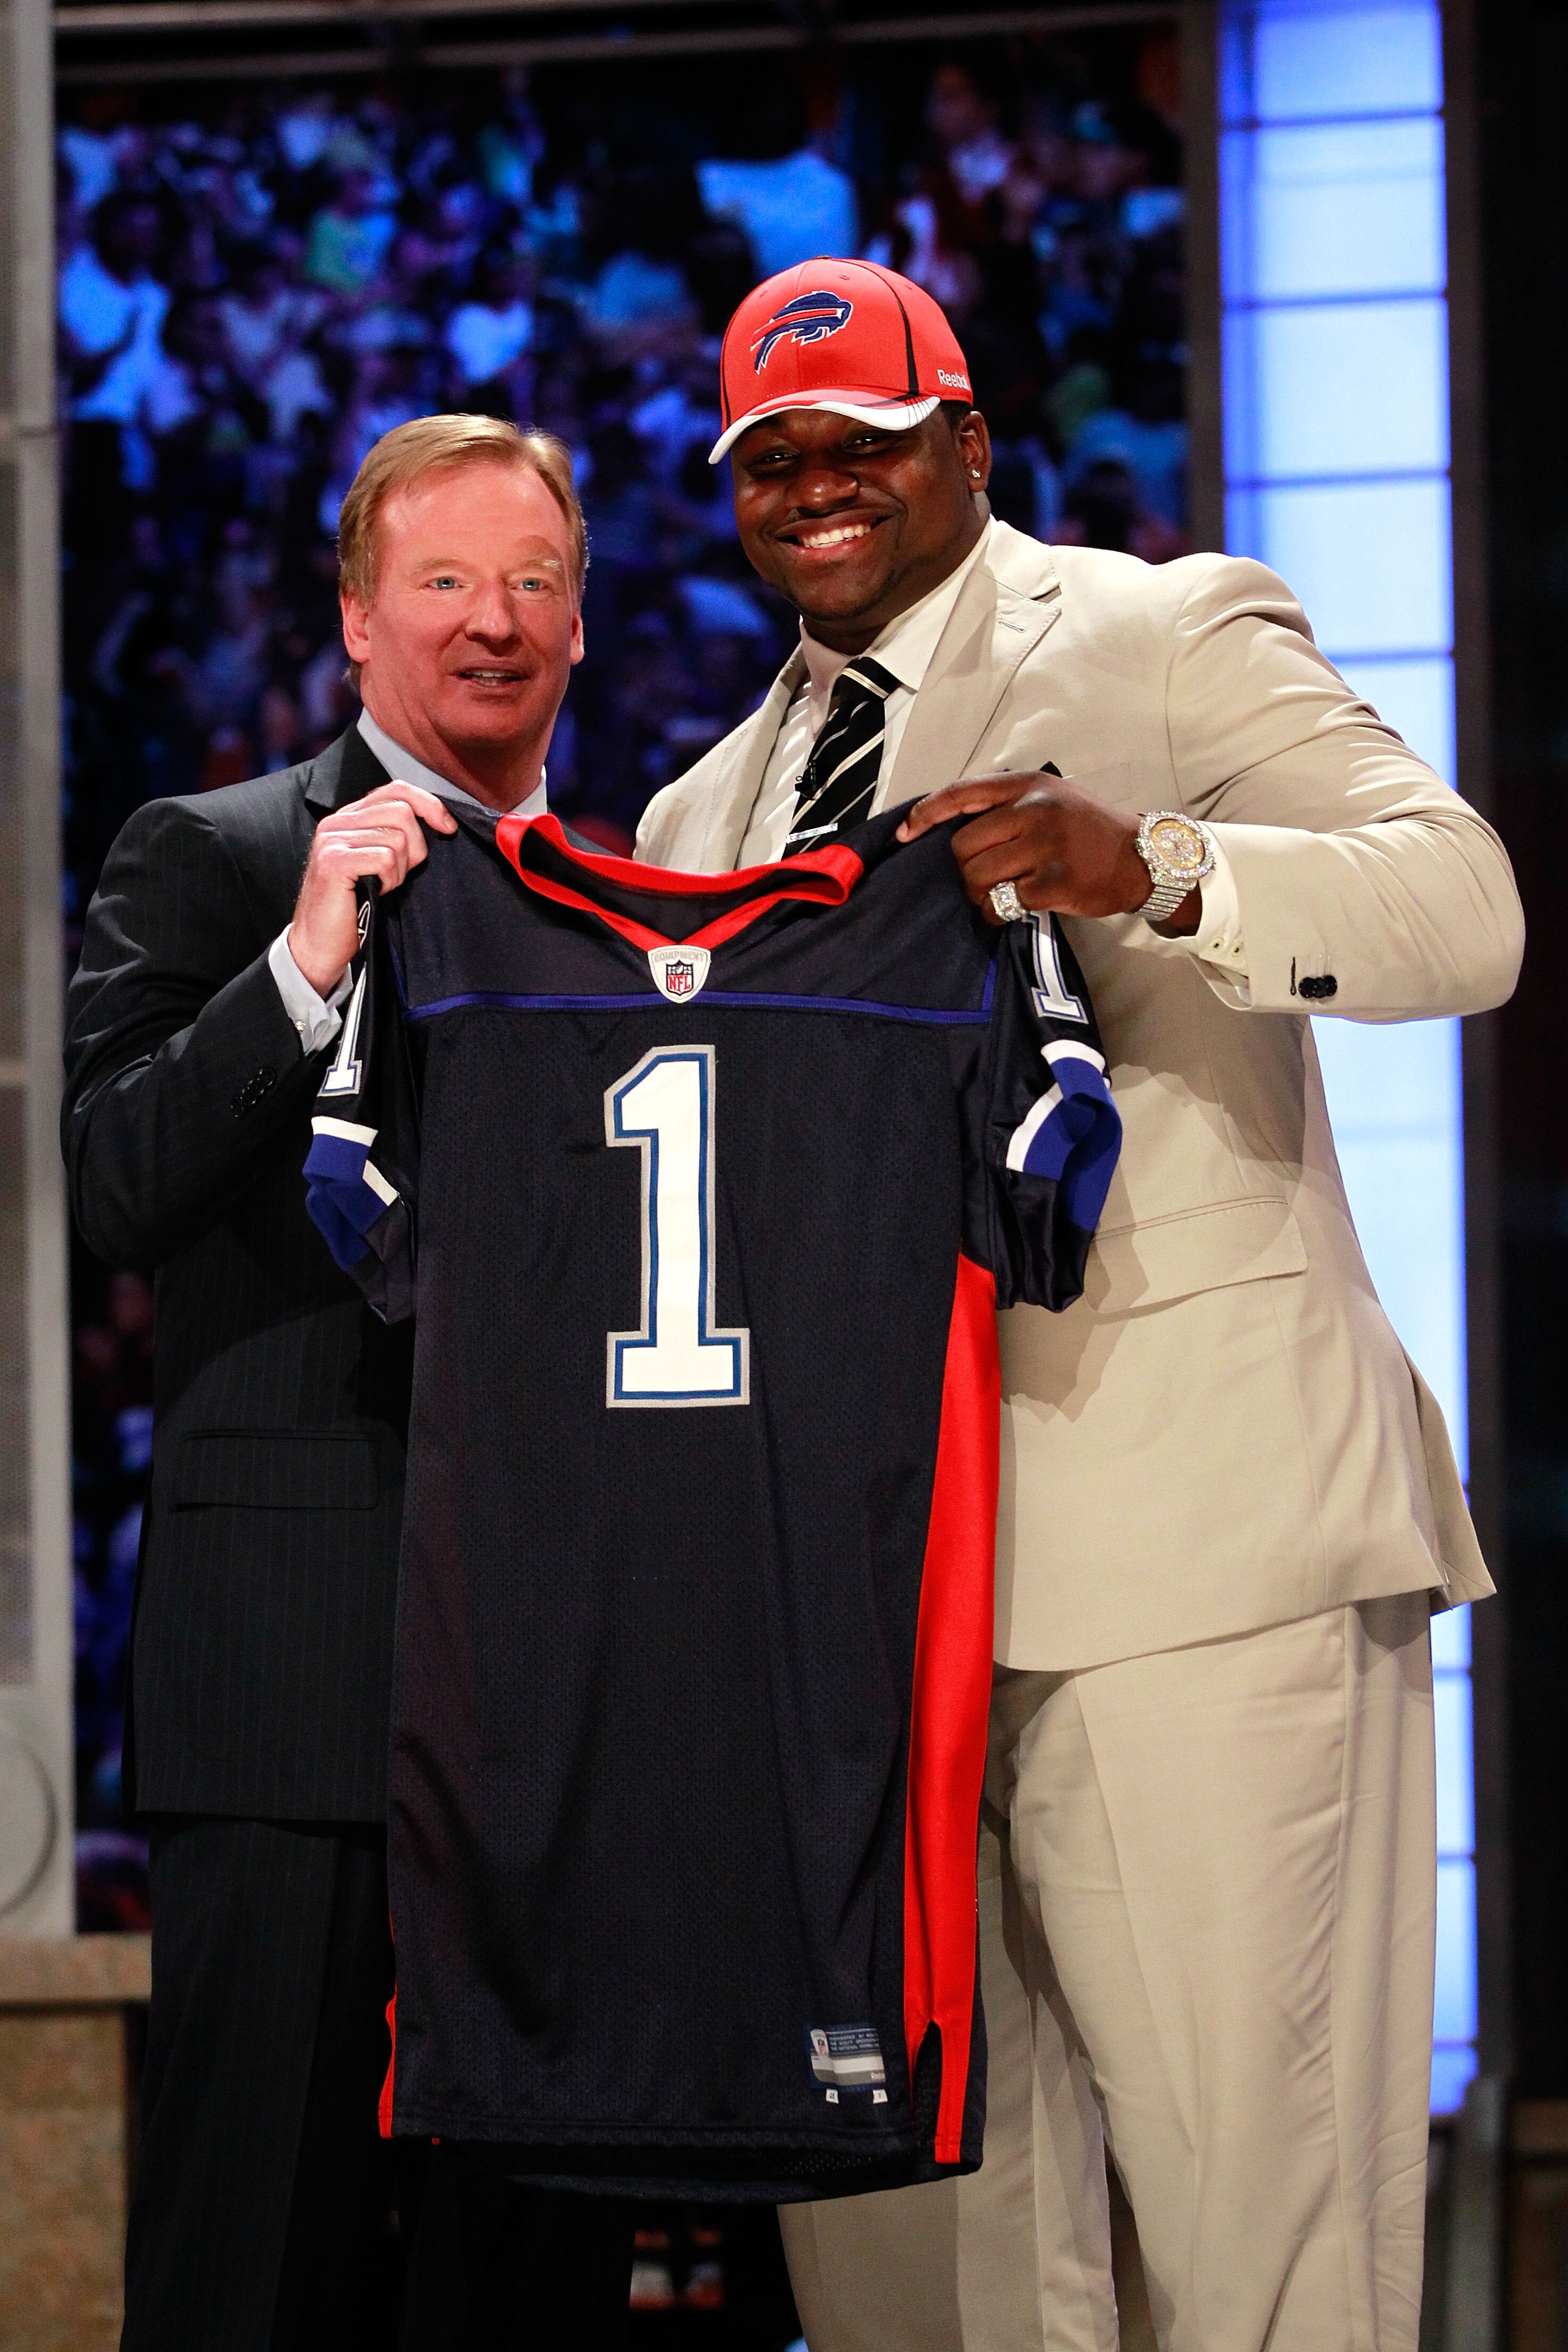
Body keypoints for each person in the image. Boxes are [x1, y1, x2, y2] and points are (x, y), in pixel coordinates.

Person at [635, 257, 1525, 2352]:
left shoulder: (1155, 624)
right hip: (867, 1638)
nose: (812, 483)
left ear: (964, 440)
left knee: (1258, 2257)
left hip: (1190, 1556)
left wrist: (1167, 868)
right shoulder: (694, 819)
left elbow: (1460, 899)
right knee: (920, 2293)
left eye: (857, 437)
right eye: (770, 454)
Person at [63, 413, 632, 2352]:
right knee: (253, 2251)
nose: (493, 623)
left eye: (533, 583)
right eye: (447, 582)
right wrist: (306, 964)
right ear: (357, 619)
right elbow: (112, 1184)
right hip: (290, 1681)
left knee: (530, 2270)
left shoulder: (647, 898)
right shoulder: (215, 856)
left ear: (583, 622)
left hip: (560, 1698)